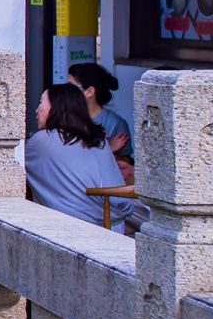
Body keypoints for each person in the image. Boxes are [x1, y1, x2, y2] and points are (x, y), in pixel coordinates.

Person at [26, 83, 143, 233]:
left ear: (57, 106)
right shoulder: (97, 137)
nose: (37, 110)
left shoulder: (41, 140)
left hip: (74, 228)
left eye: (41, 102)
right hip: (114, 224)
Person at [66, 61, 132, 161]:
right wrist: (106, 148)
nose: (65, 91)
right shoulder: (64, 117)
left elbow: (125, 164)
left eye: (70, 86)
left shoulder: (116, 124)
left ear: (90, 92)